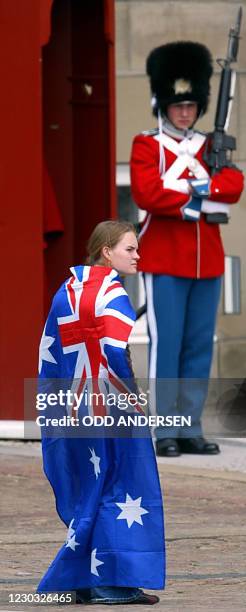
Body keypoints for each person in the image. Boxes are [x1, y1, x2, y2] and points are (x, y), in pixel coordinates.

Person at [37, 220, 165, 605]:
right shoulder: (111, 292)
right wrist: (132, 396)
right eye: (130, 249)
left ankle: (80, 577)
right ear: (106, 251)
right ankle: (110, 581)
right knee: (121, 487)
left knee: (91, 491)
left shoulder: (67, 290)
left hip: (73, 407)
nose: (137, 256)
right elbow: (113, 351)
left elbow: (50, 353)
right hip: (109, 406)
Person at [130, 42, 244, 457]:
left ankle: (190, 426)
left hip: (207, 260)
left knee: (199, 346)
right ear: (163, 104)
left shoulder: (208, 146)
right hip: (164, 259)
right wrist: (199, 200)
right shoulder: (147, 145)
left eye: (191, 105)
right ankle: (165, 429)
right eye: (178, 105)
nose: (184, 113)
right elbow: (146, 192)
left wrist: (195, 189)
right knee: (169, 344)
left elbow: (233, 185)